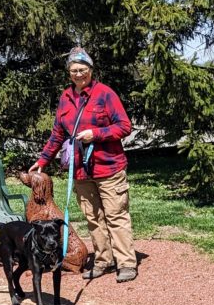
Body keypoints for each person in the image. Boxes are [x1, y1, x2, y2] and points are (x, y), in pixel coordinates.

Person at [29, 46, 137, 282]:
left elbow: (124, 127)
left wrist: (95, 134)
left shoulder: (105, 94)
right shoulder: (66, 98)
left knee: (115, 215)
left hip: (108, 168)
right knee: (93, 218)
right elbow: (58, 133)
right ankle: (103, 260)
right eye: (74, 70)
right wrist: (42, 160)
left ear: (90, 69)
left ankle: (126, 263)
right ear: (69, 73)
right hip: (79, 170)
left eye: (83, 69)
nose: (79, 74)